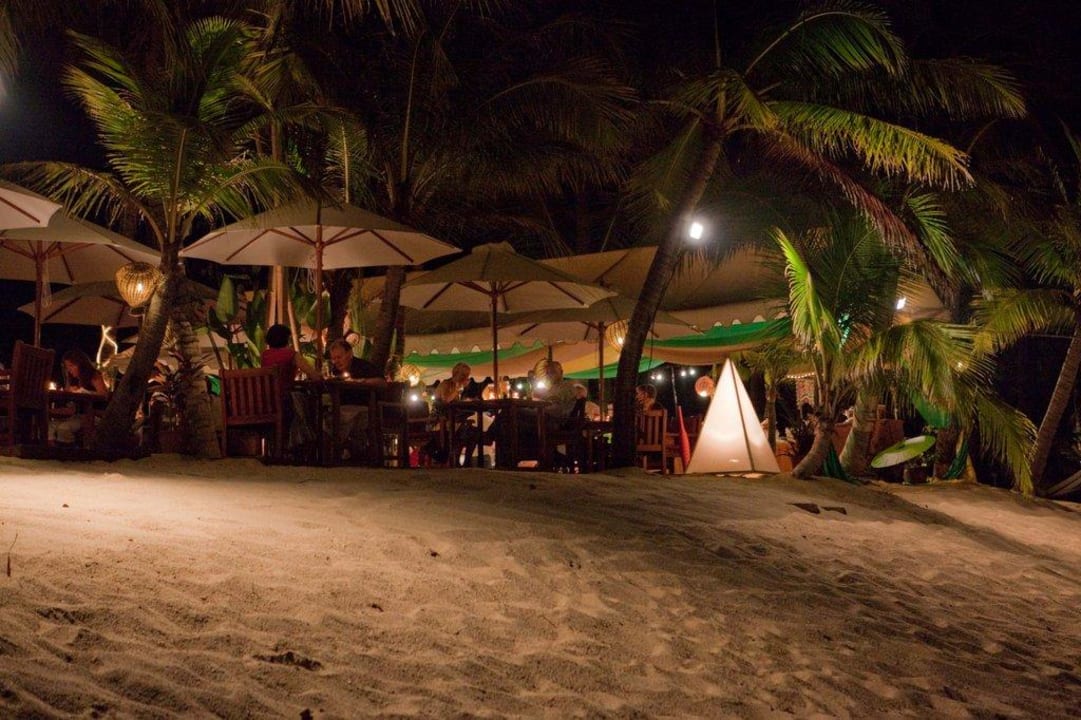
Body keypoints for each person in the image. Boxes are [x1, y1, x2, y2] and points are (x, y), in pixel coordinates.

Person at [260, 324, 319, 460]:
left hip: (267, 402)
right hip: (284, 402)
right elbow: (313, 375)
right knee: (308, 401)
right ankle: (304, 444)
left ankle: (282, 448)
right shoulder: (291, 354)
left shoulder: (265, 356)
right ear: (287, 339)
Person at [325, 337, 385, 463]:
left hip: (365, 407)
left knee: (340, 417)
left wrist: (361, 381)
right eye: (334, 358)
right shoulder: (334, 371)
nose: (336, 361)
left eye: (339, 357)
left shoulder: (363, 366)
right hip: (343, 407)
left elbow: (382, 382)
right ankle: (341, 449)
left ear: (350, 354)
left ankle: (334, 450)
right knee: (324, 415)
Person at [49, 349, 107, 446]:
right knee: (50, 426)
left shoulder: (93, 375)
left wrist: (84, 392)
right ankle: (50, 451)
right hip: (76, 415)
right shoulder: (73, 380)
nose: (69, 370)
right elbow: (71, 407)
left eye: (71, 366)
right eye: (67, 367)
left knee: (64, 428)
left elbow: (104, 394)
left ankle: (69, 451)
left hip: (93, 415)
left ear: (81, 364)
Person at [428, 362, 479, 466]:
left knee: (473, 433)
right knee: (465, 432)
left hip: (451, 419)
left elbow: (454, 404)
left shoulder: (456, 386)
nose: (466, 378)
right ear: (457, 374)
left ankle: (465, 463)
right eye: (464, 375)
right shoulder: (446, 384)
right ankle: (455, 462)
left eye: (467, 375)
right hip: (439, 421)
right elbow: (446, 400)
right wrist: (458, 389)